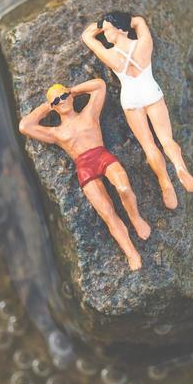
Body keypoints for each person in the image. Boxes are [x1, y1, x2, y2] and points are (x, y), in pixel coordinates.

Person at [17, 78, 151, 271]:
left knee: (123, 187)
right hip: (84, 168)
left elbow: (99, 85)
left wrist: (72, 90)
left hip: (102, 156)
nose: (61, 101)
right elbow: (25, 126)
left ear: (70, 96)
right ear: (53, 107)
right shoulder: (57, 132)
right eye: (57, 101)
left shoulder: (89, 113)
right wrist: (48, 106)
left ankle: (136, 218)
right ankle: (131, 252)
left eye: (63, 96)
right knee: (107, 212)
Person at [81, 11, 193, 210]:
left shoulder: (111, 56)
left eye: (108, 30)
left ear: (118, 29)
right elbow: (139, 21)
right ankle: (179, 166)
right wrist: (119, 21)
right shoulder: (143, 45)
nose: (105, 34)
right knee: (167, 140)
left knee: (149, 146)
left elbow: (87, 36)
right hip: (150, 91)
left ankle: (165, 182)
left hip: (131, 99)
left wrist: (101, 23)